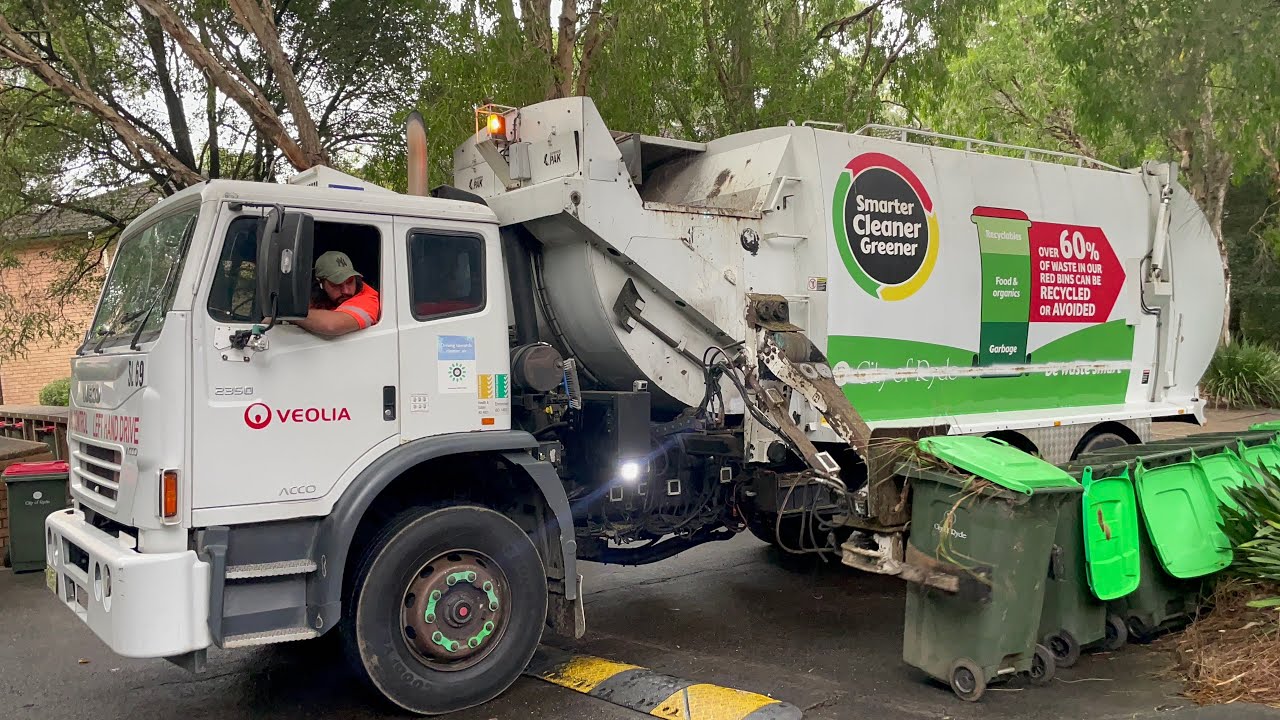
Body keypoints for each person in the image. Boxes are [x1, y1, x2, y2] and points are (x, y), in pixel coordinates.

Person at [292, 251, 380, 337]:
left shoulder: (368, 298)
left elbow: (331, 325)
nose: (346, 291)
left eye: (350, 282)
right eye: (336, 284)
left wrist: (290, 314)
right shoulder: (318, 295)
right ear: (320, 284)